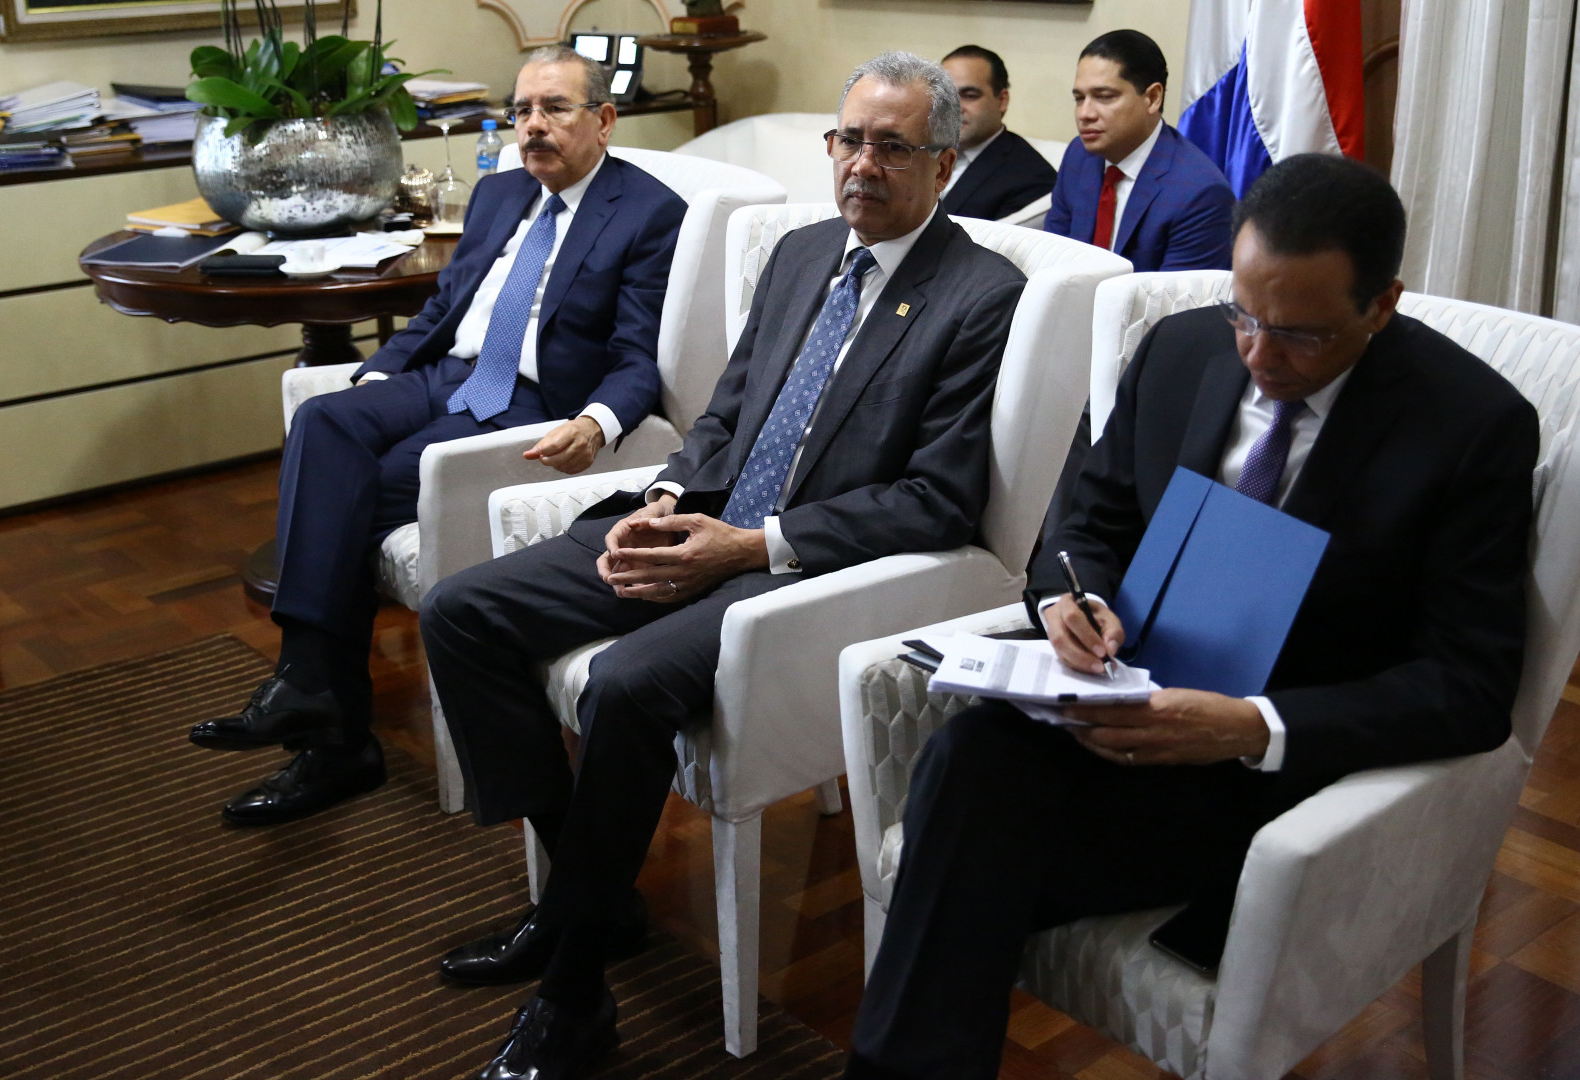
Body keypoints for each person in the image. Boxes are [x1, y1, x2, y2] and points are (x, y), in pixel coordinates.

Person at [844, 154, 1539, 1079]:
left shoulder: (1471, 425)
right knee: (967, 759)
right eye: (1244, 314)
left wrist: (1252, 727)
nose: (1258, 355)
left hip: (1278, 773)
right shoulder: (1180, 349)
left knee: (961, 860)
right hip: (1128, 700)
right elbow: (1085, 521)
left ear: (1382, 306)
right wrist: (1072, 598)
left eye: (1299, 335)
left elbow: (1470, 686)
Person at [420, 51, 1027, 1080]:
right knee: (459, 612)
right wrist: (665, 499)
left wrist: (751, 547)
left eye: (892, 148)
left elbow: (937, 499)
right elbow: (727, 414)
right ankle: (588, 897)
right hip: (702, 522)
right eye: (848, 141)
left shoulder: (979, 293)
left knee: (624, 683)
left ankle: (573, 994)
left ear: (944, 164)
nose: (861, 166)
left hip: (794, 570)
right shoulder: (801, 253)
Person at [185, 46, 687, 827]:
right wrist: (379, 376)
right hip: (444, 374)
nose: (533, 126)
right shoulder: (499, 192)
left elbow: (636, 355)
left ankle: (327, 724)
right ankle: (313, 695)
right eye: (522, 111)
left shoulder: (648, 212)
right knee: (324, 421)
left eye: (555, 108)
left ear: (604, 119)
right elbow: (442, 310)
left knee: (362, 487)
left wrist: (597, 421)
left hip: (527, 401)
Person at [1043, 29, 1234, 272]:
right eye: (1079, 98)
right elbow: (1049, 260)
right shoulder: (1078, 155)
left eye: (1104, 97)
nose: (1085, 114)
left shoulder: (1200, 194)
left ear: (1153, 98)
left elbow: (1175, 294)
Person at [938, 45, 1058, 221]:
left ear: (1002, 100)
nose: (954, 108)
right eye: (945, 96)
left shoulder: (1031, 177)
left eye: (969, 95)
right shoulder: (918, 149)